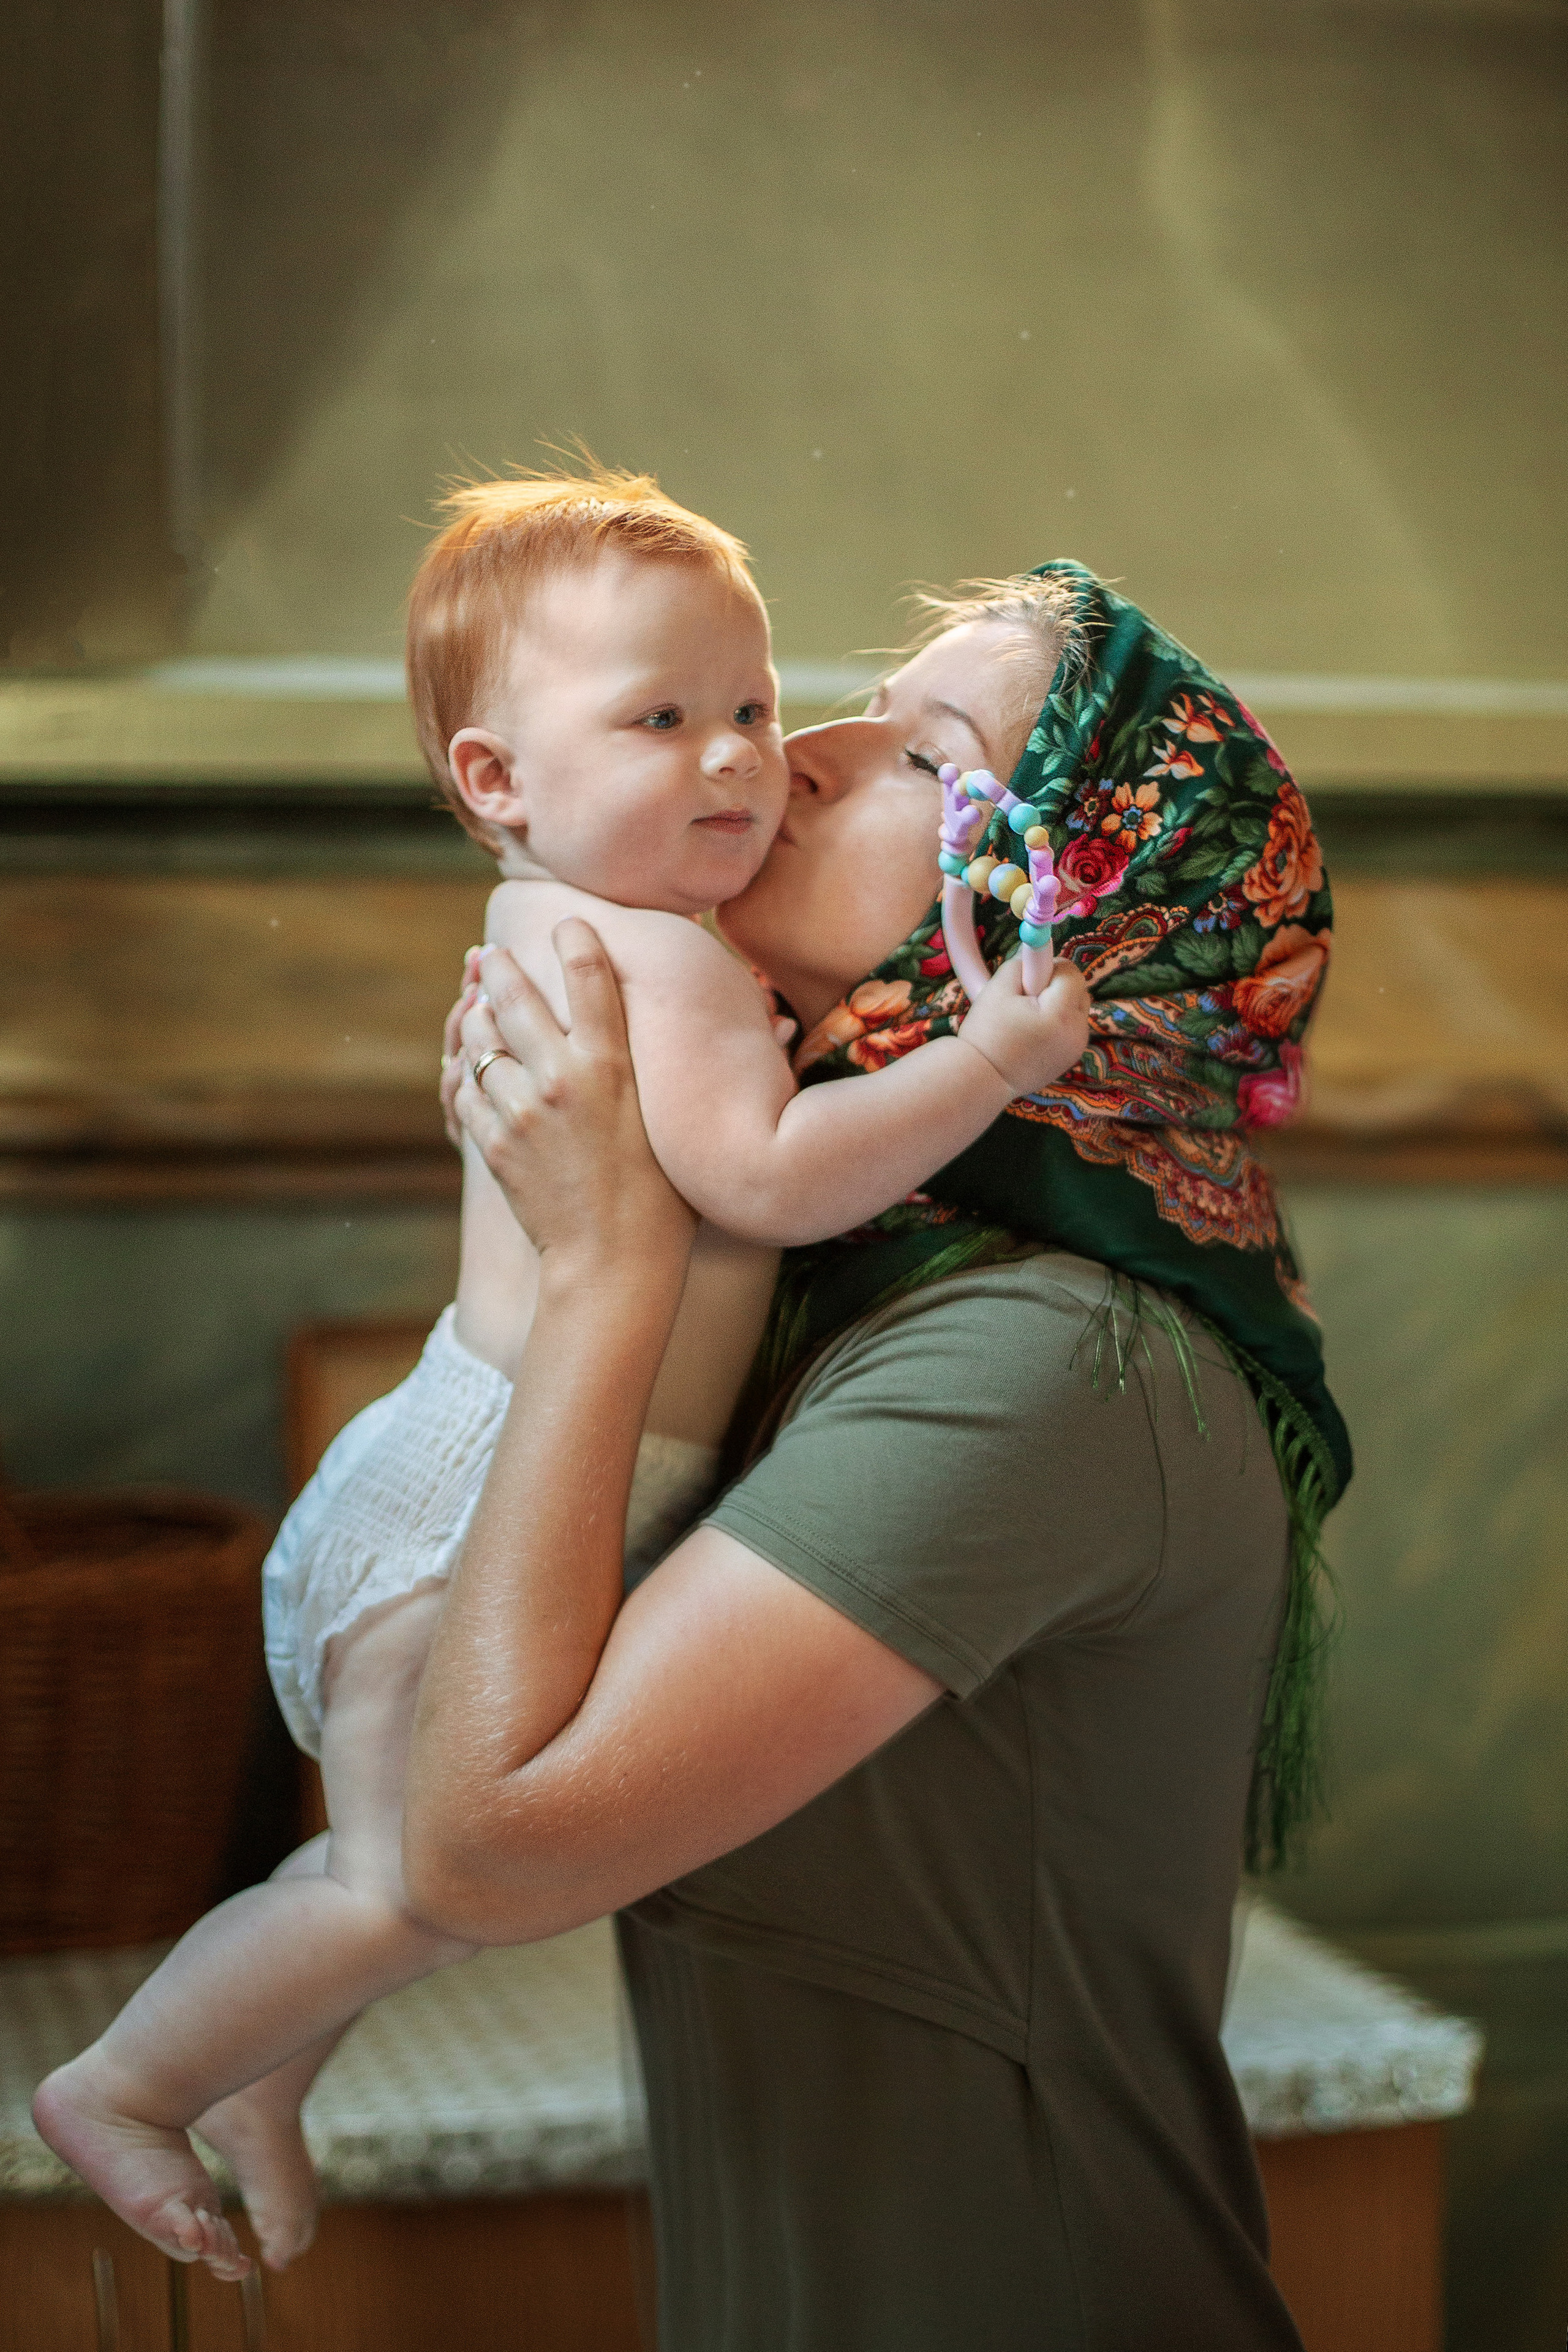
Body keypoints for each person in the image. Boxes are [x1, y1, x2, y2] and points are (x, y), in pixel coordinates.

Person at [31, 471, 1088, 2282]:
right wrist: (986, 1063)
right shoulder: (656, 956)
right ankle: (123, 2085)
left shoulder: (585, 925)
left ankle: (259, 2078)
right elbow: (766, 1177)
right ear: (497, 783)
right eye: (661, 720)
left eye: (752, 707)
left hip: (462, 1479)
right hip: (478, 1507)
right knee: (402, 1889)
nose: (742, 760)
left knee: (401, 1898)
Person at [398, 563, 1350, 2350]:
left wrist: (601, 1269)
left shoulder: (1053, 1361)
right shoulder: (837, 1268)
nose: (794, 760)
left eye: (933, 758)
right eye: (829, 704)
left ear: (1078, 915)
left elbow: (479, 1854)